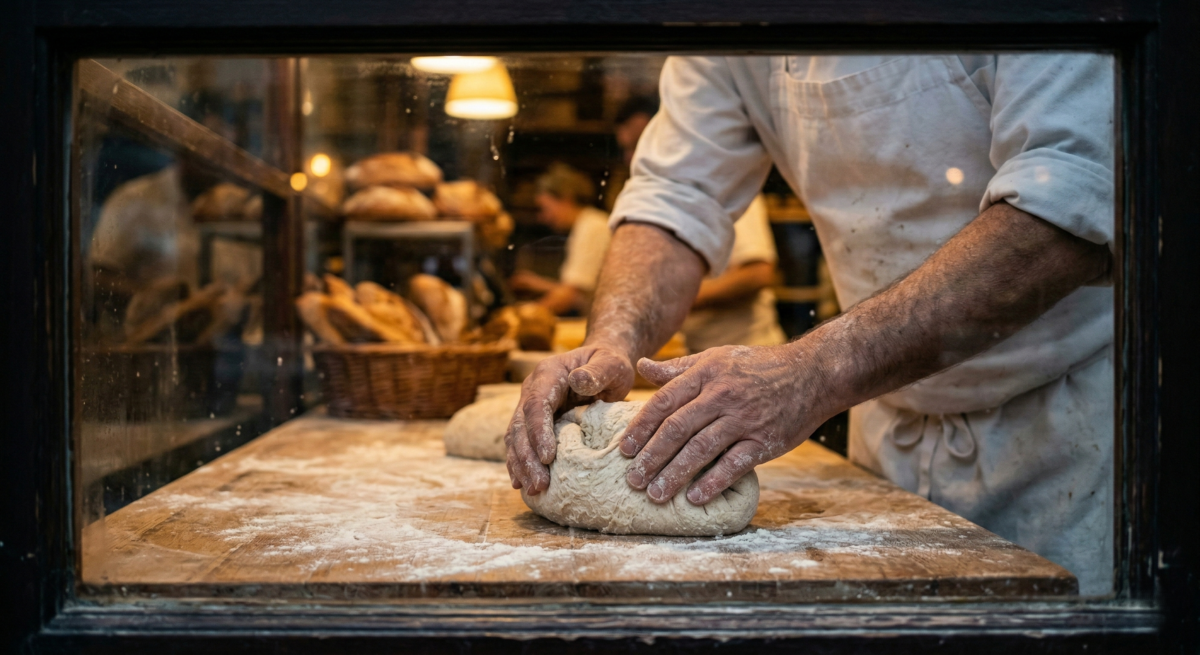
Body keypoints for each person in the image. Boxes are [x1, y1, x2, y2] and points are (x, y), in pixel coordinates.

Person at [506, 54, 1115, 595]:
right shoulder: (729, 29)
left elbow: (1068, 200)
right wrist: (611, 341)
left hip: (1065, 430)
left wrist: (818, 370)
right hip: (887, 423)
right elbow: (675, 196)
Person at [613, 97, 787, 352]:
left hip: (747, 355)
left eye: (640, 145)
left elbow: (757, 272)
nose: (633, 158)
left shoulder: (722, 184)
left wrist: (671, 301)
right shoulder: (660, 198)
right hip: (699, 354)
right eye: (626, 149)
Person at [509, 163, 611, 315]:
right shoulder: (589, 223)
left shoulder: (593, 228)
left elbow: (569, 296)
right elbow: (583, 291)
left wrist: (522, 318)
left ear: (566, 199)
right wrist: (538, 284)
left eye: (545, 208)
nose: (543, 217)